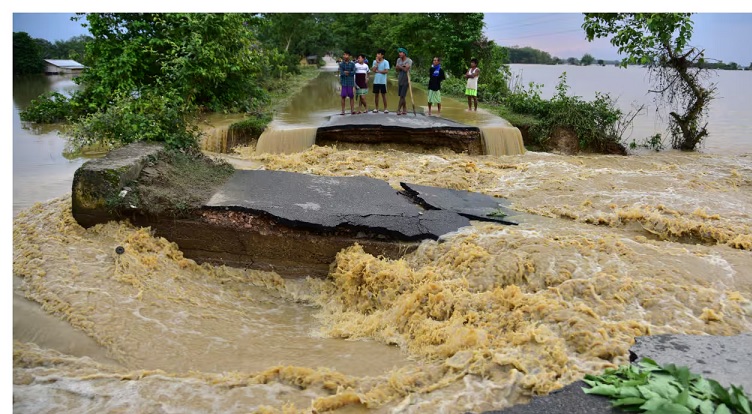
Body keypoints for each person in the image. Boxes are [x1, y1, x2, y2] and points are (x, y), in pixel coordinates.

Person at [394, 47, 412, 115]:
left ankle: (398, 109)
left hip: (406, 79)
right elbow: (396, 69)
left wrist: (400, 67)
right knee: (401, 95)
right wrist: (402, 66)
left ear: (404, 53)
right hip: (400, 78)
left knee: (402, 95)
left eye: (401, 52)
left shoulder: (409, 60)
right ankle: (404, 109)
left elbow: (406, 70)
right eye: (399, 52)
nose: (399, 54)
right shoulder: (398, 60)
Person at [371, 48, 390, 113]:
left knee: (383, 95)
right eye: (377, 54)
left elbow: (386, 71)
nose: (377, 55)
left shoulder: (386, 62)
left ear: (382, 55)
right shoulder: (374, 61)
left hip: (383, 81)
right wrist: (377, 63)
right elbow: (373, 70)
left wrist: (378, 71)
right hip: (376, 81)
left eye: (379, 54)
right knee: (376, 95)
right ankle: (376, 108)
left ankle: (385, 108)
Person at [339, 50, 356, 115]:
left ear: (349, 56)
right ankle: (343, 111)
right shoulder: (341, 64)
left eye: (346, 55)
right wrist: (344, 73)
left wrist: (348, 72)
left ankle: (352, 110)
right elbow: (341, 72)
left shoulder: (352, 64)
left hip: (350, 82)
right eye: (344, 55)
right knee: (343, 96)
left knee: (351, 96)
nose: (345, 56)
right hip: (344, 82)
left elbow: (354, 72)